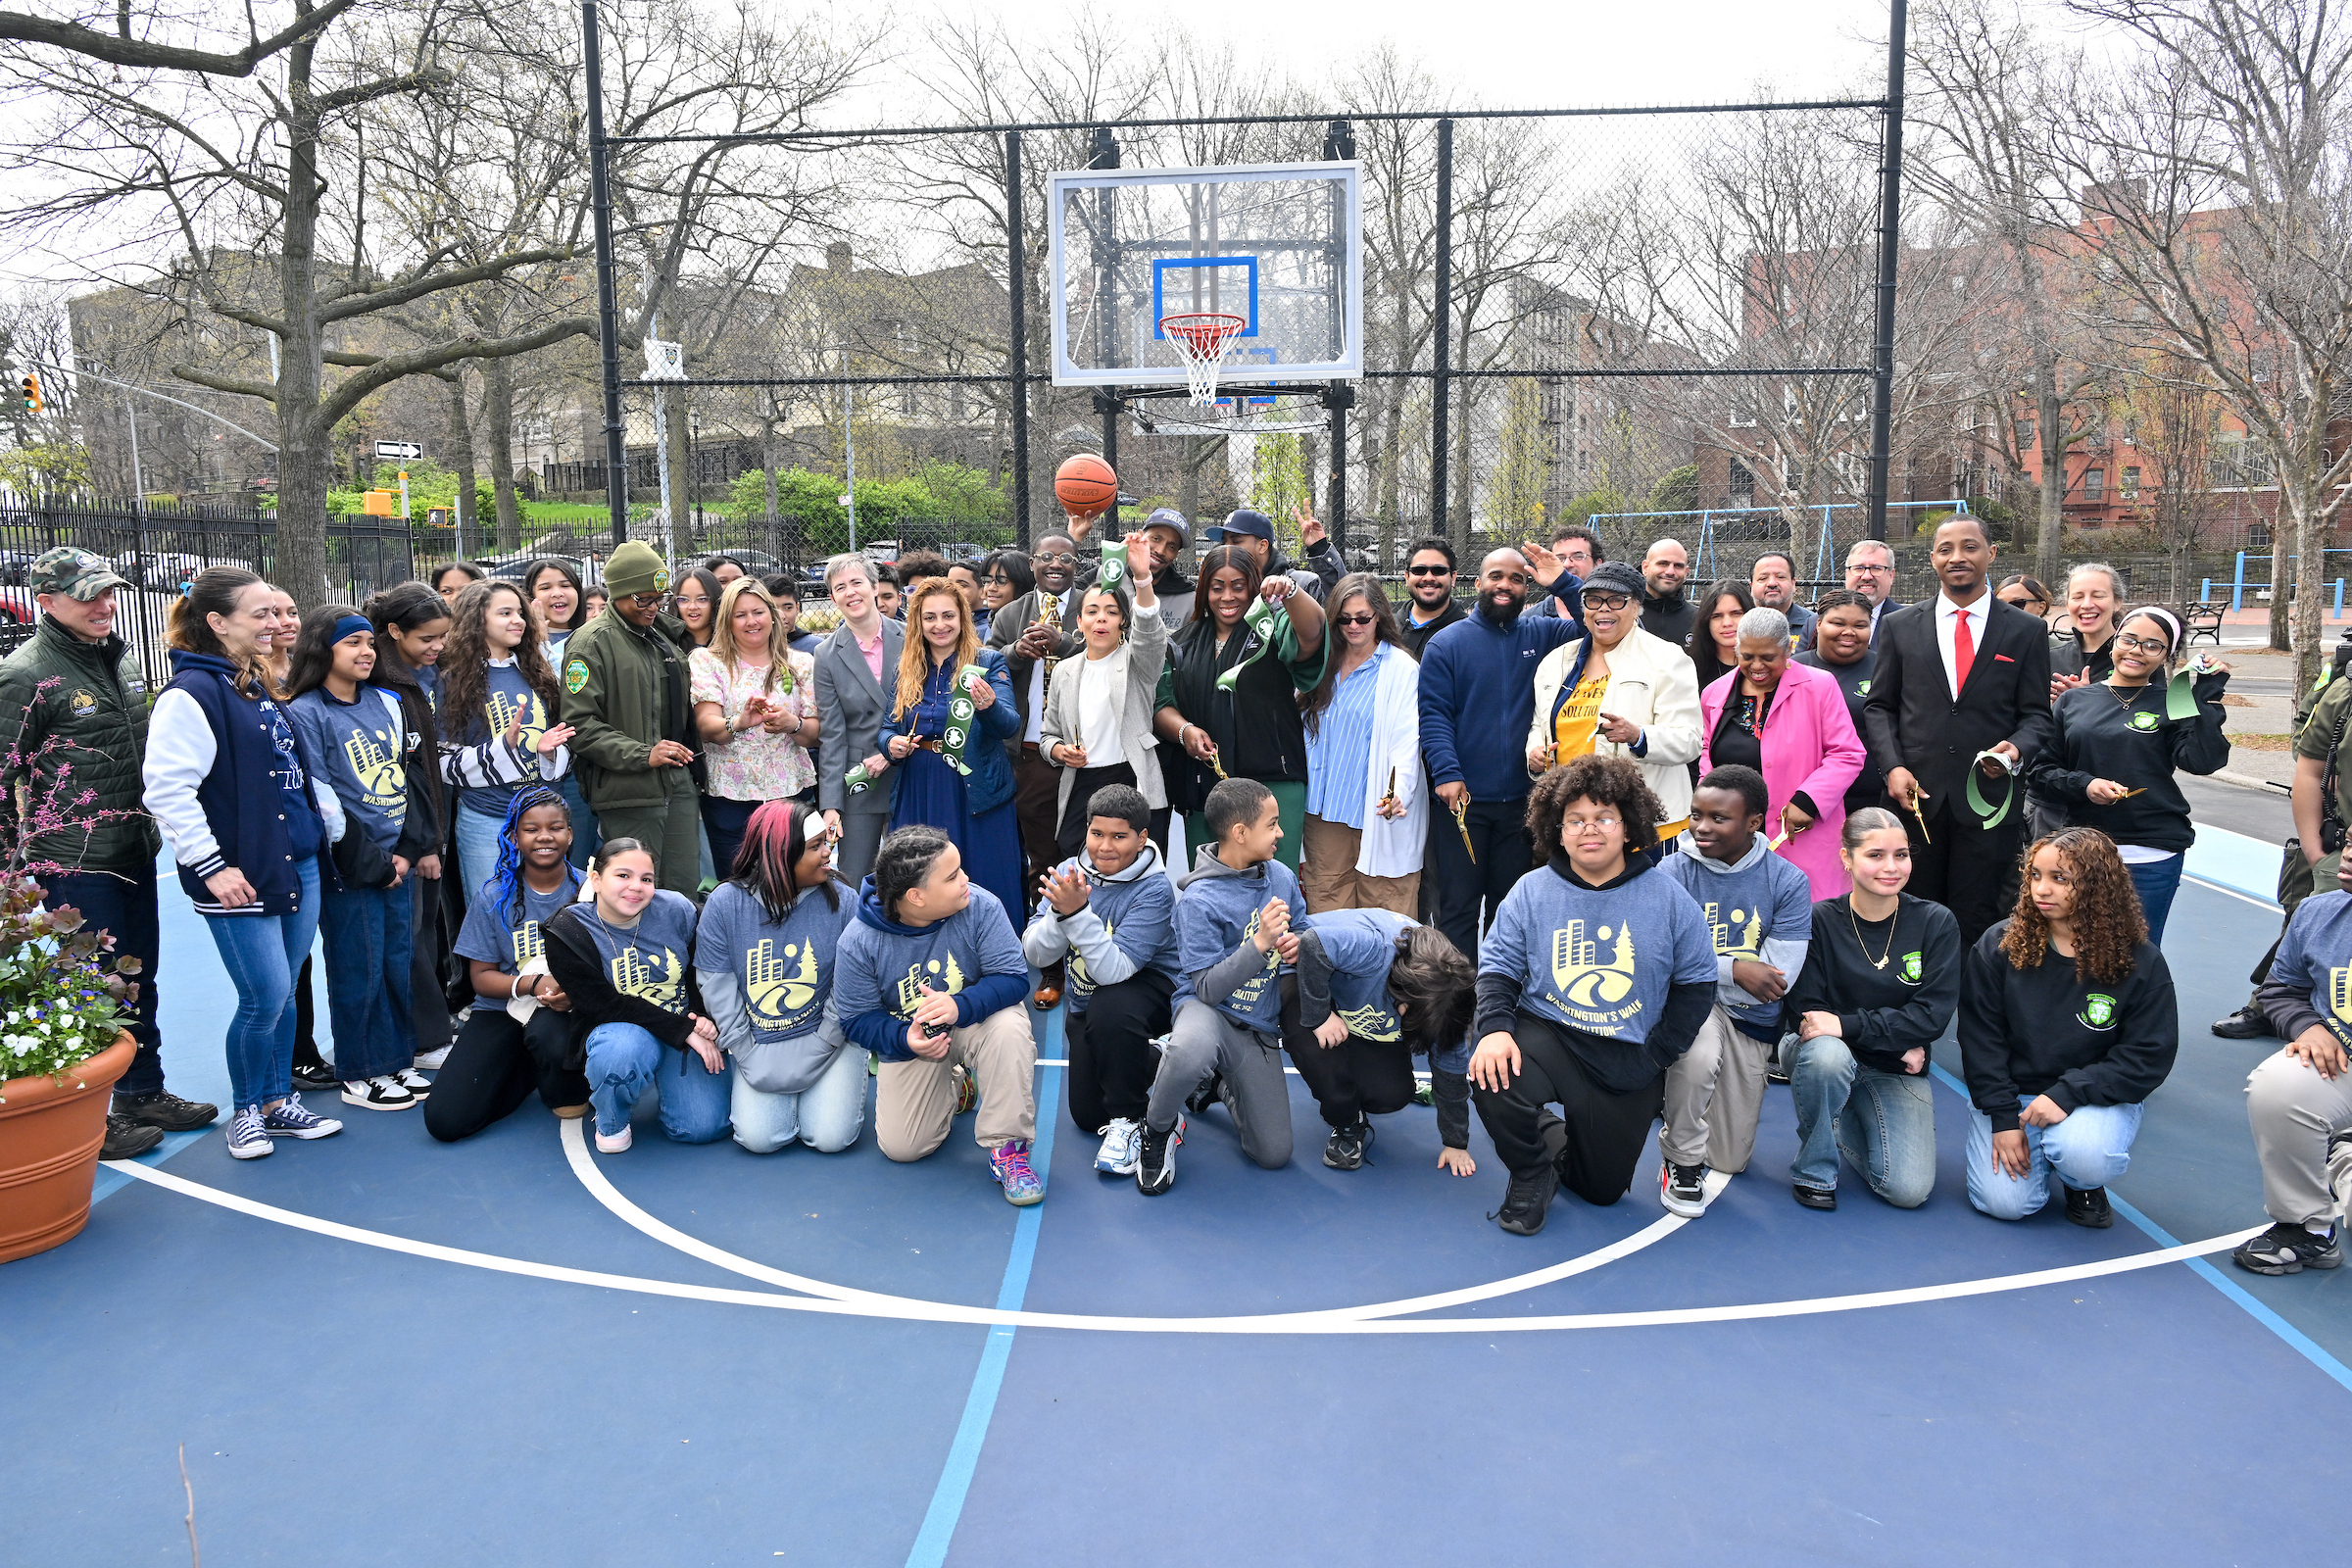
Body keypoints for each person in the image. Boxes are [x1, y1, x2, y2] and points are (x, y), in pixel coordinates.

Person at [0, 548, 213, 1157]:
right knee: (90, 986)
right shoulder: (25, 675)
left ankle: (142, 1090)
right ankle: (93, 1112)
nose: (104, 605)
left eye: (108, 591)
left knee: (136, 975)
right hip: (73, 861)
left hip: (133, 848)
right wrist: (11, 866)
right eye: (86, 595)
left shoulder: (120, 661)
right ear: (46, 601)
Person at [1467, 757, 1717, 1235]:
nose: (1589, 830)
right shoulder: (1530, 891)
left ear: (1629, 826)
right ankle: (1531, 1173)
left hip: (1628, 1052)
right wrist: (1495, 1030)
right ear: (1557, 831)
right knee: (1492, 1070)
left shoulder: (1668, 897)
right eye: (1575, 820)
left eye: (1604, 817)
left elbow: (1696, 985)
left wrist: (1658, 1055)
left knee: (1601, 1190)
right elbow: (1498, 969)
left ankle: (1553, 1135)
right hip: (1550, 1035)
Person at [142, 567, 343, 1160]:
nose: (274, 622)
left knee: (285, 994)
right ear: (217, 623)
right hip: (240, 874)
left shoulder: (252, 685)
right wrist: (211, 866)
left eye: (275, 611)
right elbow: (168, 791)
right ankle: (247, 1111)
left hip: (295, 863)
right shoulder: (189, 696)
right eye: (260, 614)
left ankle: (278, 1100)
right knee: (265, 995)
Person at [1959, 827, 2178, 1226]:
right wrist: (2003, 1120)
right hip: (2015, 1098)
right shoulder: (1998, 945)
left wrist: (2068, 1093)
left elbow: (2148, 1054)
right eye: (2035, 875)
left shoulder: (2139, 960)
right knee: (2006, 1205)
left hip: (2091, 1098)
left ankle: (2081, 1180)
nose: (2042, 889)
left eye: (2060, 878)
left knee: (2084, 1155)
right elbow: (1981, 1041)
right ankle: (2041, 1150)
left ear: (2097, 886)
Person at [1864, 514, 2054, 946]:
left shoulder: (2025, 630)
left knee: (1979, 921)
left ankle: (1971, 989)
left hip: (1989, 804)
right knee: (1909, 916)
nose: (1957, 557)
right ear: (1933, 558)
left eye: (1970, 546)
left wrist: (2014, 751)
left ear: (1991, 553)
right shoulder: (1900, 626)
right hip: (1915, 800)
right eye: (1946, 549)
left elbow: (2037, 716)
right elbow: (1880, 707)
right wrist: (1893, 767)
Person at [833, 826, 1044, 1203]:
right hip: (915, 1038)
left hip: (977, 1021)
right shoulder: (858, 940)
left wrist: (960, 1006)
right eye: (952, 876)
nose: (966, 879)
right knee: (904, 1148)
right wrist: (904, 1039)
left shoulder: (981, 906)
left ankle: (1008, 1148)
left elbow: (1013, 978)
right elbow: (855, 1019)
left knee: (1010, 1029)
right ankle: (957, 1084)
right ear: (916, 896)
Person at [1782, 808, 1962, 1210]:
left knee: (1907, 1190)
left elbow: (1931, 1016)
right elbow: (1808, 1017)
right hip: (1842, 1055)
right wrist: (1894, 1043)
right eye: (1875, 855)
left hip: (1890, 1065)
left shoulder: (1936, 922)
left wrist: (1846, 1026)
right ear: (1847, 858)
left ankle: (1839, 1120)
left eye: (1901, 855)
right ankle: (1814, 1169)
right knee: (1827, 1055)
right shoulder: (1818, 921)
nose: (1891, 867)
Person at [1415, 543, 1588, 963]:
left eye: (1517, 578)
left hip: (1522, 806)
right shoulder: (1446, 644)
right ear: (1478, 583)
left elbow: (1595, 626)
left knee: (1508, 908)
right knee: (1457, 908)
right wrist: (1447, 773)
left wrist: (1562, 582)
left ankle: (1498, 990)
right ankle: (1457, 995)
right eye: (1496, 576)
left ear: (1529, 588)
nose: (1505, 585)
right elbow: (1434, 715)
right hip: (1462, 804)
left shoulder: (1544, 635)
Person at [1654, 765, 1814, 1213]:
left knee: (1728, 1158)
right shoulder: (1671, 872)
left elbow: (1777, 979)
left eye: (1718, 818)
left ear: (1754, 822)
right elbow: (1661, 958)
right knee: (1698, 1052)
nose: (1702, 827)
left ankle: (1679, 1102)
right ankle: (1680, 1160)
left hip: (1750, 1016)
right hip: (1691, 1002)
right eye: (1696, 815)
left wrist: (1706, 969)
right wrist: (1736, 969)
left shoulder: (1787, 881)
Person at [284, 606, 425, 1111]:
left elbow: (407, 776)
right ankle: (360, 1070)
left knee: (396, 961)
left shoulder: (387, 701)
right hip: (353, 865)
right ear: (322, 650)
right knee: (357, 967)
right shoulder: (305, 712)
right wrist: (372, 863)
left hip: (397, 861)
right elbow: (321, 796)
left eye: (369, 642)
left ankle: (395, 1057)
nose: (367, 652)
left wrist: (407, 851)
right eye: (352, 643)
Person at [1136, 778, 1304, 1194]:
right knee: (1190, 1049)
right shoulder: (1198, 900)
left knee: (1273, 1154)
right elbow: (1208, 988)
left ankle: (1215, 1083)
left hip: (1256, 1025)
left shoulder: (1281, 877)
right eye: (1272, 824)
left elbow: (1302, 926)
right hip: (1207, 1010)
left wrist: (1298, 945)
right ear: (1240, 833)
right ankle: (1158, 1128)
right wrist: (1260, 944)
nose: (1281, 833)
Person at [2033, 607, 2229, 943]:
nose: (2137, 650)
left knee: (2138, 953)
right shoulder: (2073, 701)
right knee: (2075, 949)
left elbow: (2202, 760)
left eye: (2153, 645)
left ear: (2167, 656)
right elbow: (2040, 772)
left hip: (2152, 853)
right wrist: (2086, 785)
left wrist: (2206, 695)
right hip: (2082, 850)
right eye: (2129, 640)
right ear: (2114, 642)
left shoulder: (2173, 703)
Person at [1019, 784, 1180, 1173]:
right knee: (1089, 1116)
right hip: (1088, 1001)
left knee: (1113, 1004)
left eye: (1119, 837)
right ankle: (1163, 1058)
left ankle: (1130, 1121)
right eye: (1097, 834)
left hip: (1148, 992)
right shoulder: (1068, 873)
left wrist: (1075, 913)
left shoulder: (1155, 889)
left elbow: (1116, 971)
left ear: (1142, 838)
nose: (1105, 847)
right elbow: (1036, 954)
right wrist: (1060, 913)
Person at [695, 801, 864, 1156]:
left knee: (830, 1138)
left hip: (829, 1036)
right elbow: (716, 985)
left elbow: (851, 986)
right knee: (759, 1139)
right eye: (815, 846)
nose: (828, 851)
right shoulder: (725, 903)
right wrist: (745, 1049)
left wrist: (825, 1041)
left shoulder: (845, 901)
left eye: (826, 841)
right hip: (759, 1040)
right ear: (780, 856)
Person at [422, 787, 591, 1142]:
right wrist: (533, 984)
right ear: (514, 838)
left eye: (555, 827)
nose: (544, 837)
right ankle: (527, 1069)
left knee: (551, 1040)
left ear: (570, 834)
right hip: (503, 1007)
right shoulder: (493, 896)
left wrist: (572, 993)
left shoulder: (591, 892)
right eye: (531, 829)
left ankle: (562, 1082)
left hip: (567, 1011)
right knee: (445, 1121)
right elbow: (481, 978)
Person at [544, 839, 728, 1152]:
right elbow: (601, 1004)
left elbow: (704, 966)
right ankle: (612, 1119)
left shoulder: (678, 910)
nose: (636, 887)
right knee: (619, 1052)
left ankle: (676, 1088)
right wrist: (682, 1030)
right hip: (623, 1028)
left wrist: (700, 1015)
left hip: (681, 1019)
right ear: (596, 879)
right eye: (623, 875)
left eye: (646, 879)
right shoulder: (568, 929)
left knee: (701, 1127)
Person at [1154, 545, 1329, 872]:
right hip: (1207, 790)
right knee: (1212, 885)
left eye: (1238, 586)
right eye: (1217, 587)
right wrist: (1185, 731)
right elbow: (1162, 703)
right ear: (1204, 591)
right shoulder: (1182, 643)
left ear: (1253, 586)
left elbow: (1312, 636)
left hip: (1273, 783)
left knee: (1274, 884)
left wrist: (1291, 593)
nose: (1227, 597)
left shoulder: (1272, 630)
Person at [1525, 560, 1705, 844]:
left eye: (1617, 600)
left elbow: (1689, 740)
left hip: (1645, 824)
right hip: (1577, 821)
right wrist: (1535, 754)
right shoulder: (1556, 662)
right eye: (1594, 600)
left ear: (1636, 607)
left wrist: (1638, 736)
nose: (1604, 608)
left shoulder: (1667, 659)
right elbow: (1539, 724)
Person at [1285, 909, 1478, 1173]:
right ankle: (1348, 1123)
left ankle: (1364, 1058)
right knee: (1318, 1053)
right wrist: (1319, 1017)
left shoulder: (1450, 999)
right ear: (1407, 999)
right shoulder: (1375, 951)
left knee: (1391, 1094)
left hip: (1359, 1007)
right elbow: (1313, 943)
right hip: (1309, 975)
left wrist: (1455, 1142)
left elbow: (1451, 1071)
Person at [560, 541, 702, 898]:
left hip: (676, 783)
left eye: (660, 598)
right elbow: (580, 726)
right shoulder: (591, 643)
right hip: (628, 792)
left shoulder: (662, 636)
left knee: (682, 893)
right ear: (617, 593)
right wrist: (643, 754)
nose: (653, 607)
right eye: (643, 600)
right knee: (633, 897)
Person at [879, 578, 1026, 922]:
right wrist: (891, 744)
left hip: (974, 787)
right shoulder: (907, 668)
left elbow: (1009, 726)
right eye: (929, 617)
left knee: (987, 875)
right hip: (920, 786)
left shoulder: (988, 662)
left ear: (962, 617)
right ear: (918, 622)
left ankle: (995, 945)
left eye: (948, 615)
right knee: (922, 878)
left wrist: (989, 706)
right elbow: (887, 727)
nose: (940, 625)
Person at [1698, 606, 1868, 901]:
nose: (1756, 666)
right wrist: (1710, 805)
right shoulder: (1714, 693)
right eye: (1747, 656)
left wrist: (1809, 800)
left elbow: (1847, 753)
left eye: (1768, 657)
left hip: (1800, 832)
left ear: (1788, 650)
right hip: (1734, 838)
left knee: (1807, 915)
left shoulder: (1820, 686)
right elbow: (1707, 754)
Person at [2233, 855, 2352, 1274]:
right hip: (2343, 1064)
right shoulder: (2318, 912)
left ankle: (2342, 1152)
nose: (2348, 854)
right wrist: (2308, 1027)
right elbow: (2281, 989)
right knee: (2279, 1085)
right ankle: (2308, 1227)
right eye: (2350, 841)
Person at [1298, 574, 1426, 915]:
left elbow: (1406, 739)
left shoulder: (1401, 669)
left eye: (1362, 618)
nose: (1353, 626)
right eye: (1344, 619)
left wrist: (1399, 792)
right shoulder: (1320, 664)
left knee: (1385, 911)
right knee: (1327, 908)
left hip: (1377, 810)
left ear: (1379, 616)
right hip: (1324, 811)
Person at [366, 583, 459, 1052]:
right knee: (410, 936)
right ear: (395, 630)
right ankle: (421, 1037)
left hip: (430, 819)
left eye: (442, 636)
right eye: (427, 638)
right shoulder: (383, 680)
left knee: (427, 930)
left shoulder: (428, 671)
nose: (437, 646)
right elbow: (406, 770)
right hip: (405, 830)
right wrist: (421, 842)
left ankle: (432, 1023)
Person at [438, 578, 575, 899]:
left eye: (520, 612)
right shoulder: (451, 682)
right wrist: (503, 748)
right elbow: (443, 762)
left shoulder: (540, 672)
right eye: (505, 613)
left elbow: (565, 742)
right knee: (492, 912)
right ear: (477, 620)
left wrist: (547, 752)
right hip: (487, 819)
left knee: (550, 911)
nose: (518, 620)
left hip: (545, 817)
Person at [1040, 540, 1170, 855]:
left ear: (1123, 621)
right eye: (1092, 611)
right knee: (1074, 858)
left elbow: (1150, 635)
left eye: (1111, 612)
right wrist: (1060, 751)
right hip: (1080, 784)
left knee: (1135, 866)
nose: (1101, 619)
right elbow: (1048, 736)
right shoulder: (1064, 671)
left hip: (1131, 777)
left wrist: (1142, 578)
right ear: (1079, 622)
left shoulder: (1138, 663)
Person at [985, 525, 1088, 896]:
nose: (1055, 564)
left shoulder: (1092, 608)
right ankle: (1042, 926)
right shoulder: (1010, 614)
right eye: (1046, 557)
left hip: (1083, 752)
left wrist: (1066, 645)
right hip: (1029, 754)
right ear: (1032, 564)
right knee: (1040, 856)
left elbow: (1113, 657)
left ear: (1076, 565)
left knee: (1082, 852)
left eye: (1065, 558)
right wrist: (1015, 652)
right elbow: (985, 666)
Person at [691, 577, 819, 873]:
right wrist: (739, 722)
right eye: (740, 615)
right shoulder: (708, 662)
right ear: (727, 621)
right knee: (737, 881)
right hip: (730, 795)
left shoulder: (801, 663)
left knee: (789, 878)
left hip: (789, 792)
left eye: (758, 612)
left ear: (772, 616)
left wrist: (792, 724)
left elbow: (815, 734)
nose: (751, 621)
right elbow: (707, 726)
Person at [812, 553, 906, 888]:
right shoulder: (826, 655)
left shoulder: (912, 637)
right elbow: (832, 735)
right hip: (861, 780)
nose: (850, 592)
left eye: (857, 583)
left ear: (874, 587)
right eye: (840, 587)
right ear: (832, 597)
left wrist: (890, 752)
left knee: (912, 876)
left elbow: (929, 705)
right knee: (853, 878)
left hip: (909, 773)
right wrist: (831, 805)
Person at [1793, 589, 1886, 822]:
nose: (1849, 632)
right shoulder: (1792, 670)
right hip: (1804, 800)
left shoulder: (1885, 668)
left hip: (1870, 798)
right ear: (1819, 624)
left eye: (1860, 625)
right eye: (1838, 623)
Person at [1203, 504, 1340, 601]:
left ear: (1262, 546)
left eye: (1236, 541)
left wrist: (1319, 548)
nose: (1227, 548)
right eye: (1224, 542)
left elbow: (1339, 604)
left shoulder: (1302, 584)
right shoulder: (1218, 589)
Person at [1396, 535, 1468, 658]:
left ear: (1453, 578)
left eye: (1438, 570)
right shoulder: (1387, 629)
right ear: (1407, 577)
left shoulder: (1468, 634)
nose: (1428, 577)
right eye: (1419, 570)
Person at [1686, 580, 1754, 699]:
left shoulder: (1765, 666)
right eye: (1717, 616)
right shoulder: (1689, 668)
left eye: (1736, 613)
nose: (1727, 623)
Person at [1133, 508, 1197, 628]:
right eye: (1156, 539)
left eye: (1171, 547)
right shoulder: (1111, 578)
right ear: (1140, 536)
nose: (1160, 551)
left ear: (1176, 555)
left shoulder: (1188, 600)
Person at [1749, 551, 1816, 650]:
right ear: (1751, 586)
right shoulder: (1737, 623)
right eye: (1763, 578)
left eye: (1780, 577)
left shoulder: (1814, 625)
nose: (1772, 583)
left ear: (1793, 584)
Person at [1530, 523, 1600, 616]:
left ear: (1598, 564)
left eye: (1578, 556)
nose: (1566, 564)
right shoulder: (1532, 618)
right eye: (1560, 558)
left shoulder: (1613, 614)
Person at [1639, 538, 1696, 648]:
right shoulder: (1627, 616)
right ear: (1645, 568)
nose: (1670, 572)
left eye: (1678, 566)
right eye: (1663, 564)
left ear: (1686, 572)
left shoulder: (1699, 620)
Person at [525, 559, 586, 661]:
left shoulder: (596, 638)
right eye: (546, 588)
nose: (557, 593)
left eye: (565, 586)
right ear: (531, 596)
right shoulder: (518, 642)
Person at [1843, 539, 1903, 641]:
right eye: (1858, 568)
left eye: (1876, 568)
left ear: (1891, 576)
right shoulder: (1822, 621)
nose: (1866, 576)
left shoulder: (1909, 622)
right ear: (1847, 574)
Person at [670, 565, 722, 651]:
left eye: (702, 599)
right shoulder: (665, 645)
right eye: (684, 599)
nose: (692, 607)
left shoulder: (732, 645)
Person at [946, 558, 990, 636]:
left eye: (962, 585)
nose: (953, 589)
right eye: (949, 584)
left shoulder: (988, 630)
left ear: (983, 592)